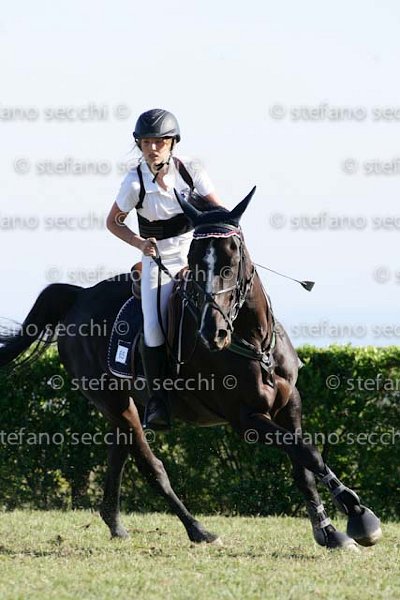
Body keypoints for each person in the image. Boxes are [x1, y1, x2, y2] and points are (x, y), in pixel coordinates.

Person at [106, 108, 222, 429]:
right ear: (139, 145)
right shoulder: (134, 182)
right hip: (158, 261)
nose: (153, 148)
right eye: (146, 142)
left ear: (172, 143)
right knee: (154, 325)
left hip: (194, 255)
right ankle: (158, 400)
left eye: (159, 142)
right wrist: (139, 243)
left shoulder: (191, 172)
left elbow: (217, 209)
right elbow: (113, 222)